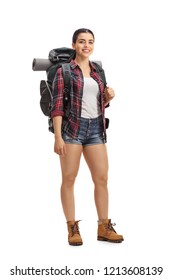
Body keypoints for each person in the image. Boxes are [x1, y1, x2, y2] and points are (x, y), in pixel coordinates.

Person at [51, 28, 124, 246]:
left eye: (90, 41)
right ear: (73, 45)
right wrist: (57, 137)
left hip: (95, 130)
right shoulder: (64, 71)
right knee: (69, 179)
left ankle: (104, 227)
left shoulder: (97, 71)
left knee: (101, 179)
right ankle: (72, 228)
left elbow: (98, 102)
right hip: (72, 129)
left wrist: (108, 97)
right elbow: (56, 106)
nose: (86, 45)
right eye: (81, 41)